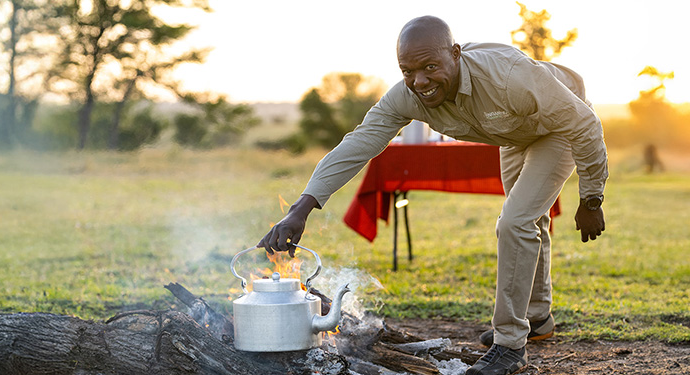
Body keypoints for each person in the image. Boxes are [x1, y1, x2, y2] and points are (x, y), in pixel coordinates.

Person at [259, 15, 607, 375]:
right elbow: (359, 143)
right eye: (408, 70)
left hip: (561, 125)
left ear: (455, 54)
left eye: (429, 67)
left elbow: (583, 123)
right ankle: (537, 318)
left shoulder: (508, 78)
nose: (419, 81)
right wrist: (301, 208)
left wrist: (591, 197)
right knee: (530, 218)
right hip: (517, 133)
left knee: (515, 222)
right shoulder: (407, 95)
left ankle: (509, 346)